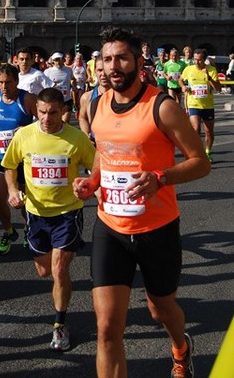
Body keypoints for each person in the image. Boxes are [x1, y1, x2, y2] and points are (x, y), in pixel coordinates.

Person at [73, 27, 211, 378]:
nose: (113, 66)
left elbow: (200, 161)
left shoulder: (161, 107)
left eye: (121, 57)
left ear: (138, 61)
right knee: (106, 329)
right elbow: (104, 152)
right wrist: (93, 180)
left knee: (160, 310)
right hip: (111, 227)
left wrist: (160, 178)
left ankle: (181, 346)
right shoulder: (95, 103)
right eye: (106, 59)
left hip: (157, 229)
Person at [2, 87, 95, 351]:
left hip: (68, 212)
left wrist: (89, 186)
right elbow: (10, 164)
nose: (46, 118)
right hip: (36, 213)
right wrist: (12, 189)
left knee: (59, 270)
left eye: (52, 113)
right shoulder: (24, 135)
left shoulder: (76, 138)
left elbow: (95, 166)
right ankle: (59, 273)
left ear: (62, 111)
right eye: (42, 112)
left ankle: (60, 325)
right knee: (44, 271)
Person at [0, 64, 37, 254]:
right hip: (2, 157)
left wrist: (28, 129)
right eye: (1, 82)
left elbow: (45, 121)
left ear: (17, 81)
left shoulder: (27, 99)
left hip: (23, 158)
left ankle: (28, 227)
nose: (4, 86)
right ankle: (9, 231)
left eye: (8, 82)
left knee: (23, 200)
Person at [179, 48, 221, 163]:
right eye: (195, 59)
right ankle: (197, 152)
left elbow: (218, 88)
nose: (197, 62)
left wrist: (209, 78)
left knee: (208, 131)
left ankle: (208, 151)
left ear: (204, 60)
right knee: (196, 128)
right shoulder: (189, 69)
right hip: (193, 104)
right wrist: (183, 86)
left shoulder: (211, 70)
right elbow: (181, 80)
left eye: (199, 60)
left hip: (207, 105)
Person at [78, 56, 110, 140]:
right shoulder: (87, 97)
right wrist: (86, 134)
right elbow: (82, 118)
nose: (103, 74)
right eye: (100, 70)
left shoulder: (122, 96)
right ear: (95, 71)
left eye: (106, 70)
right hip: (95, 145)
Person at [44, 52, 76, 123]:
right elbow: (44, 85)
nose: (58, 62)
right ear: (53, 61)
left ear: (63, 60)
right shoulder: (47, 72)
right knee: (56, 122)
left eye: (59, 59)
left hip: (66, 100)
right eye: (56, 60)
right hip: (54, 101)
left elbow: (73, 79)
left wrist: (74, 86)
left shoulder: (68, 70)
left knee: (65, 123)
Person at [71, 53, 88, 117]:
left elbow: (87, 75)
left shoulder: (85, 65)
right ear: (75, 59)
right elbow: (70, 76)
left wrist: (86, 83)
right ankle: (77, 108)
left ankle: (80, 112)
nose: (79, 60)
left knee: (80, 99)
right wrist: (72, 84)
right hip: (74, 85)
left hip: (82, 85)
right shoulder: (73, 66)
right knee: (75, 101)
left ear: (82, 59)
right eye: (77, 58)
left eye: (80, 58)